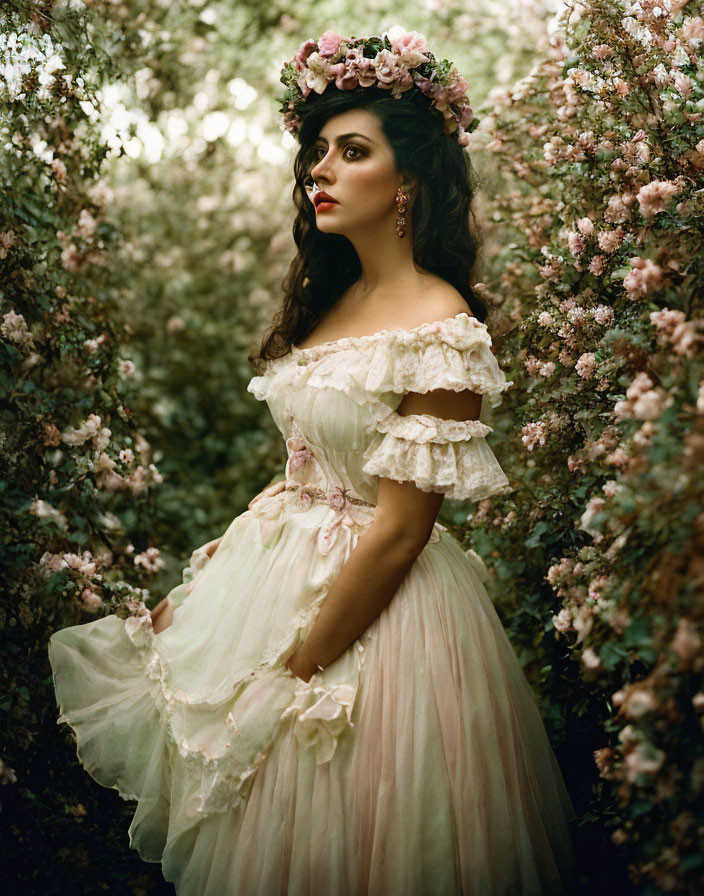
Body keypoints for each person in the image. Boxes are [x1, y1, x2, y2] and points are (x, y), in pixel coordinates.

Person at [48, 26, 577, 895]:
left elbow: (402, 532)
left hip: (377, 620)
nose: (319, 170)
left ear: (407, 182)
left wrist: (298, 664)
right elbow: (311, 466)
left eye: (351, 151)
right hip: (279, 576)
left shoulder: (439, 326)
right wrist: (226, 581)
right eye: (317, 152)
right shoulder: (334, 299)